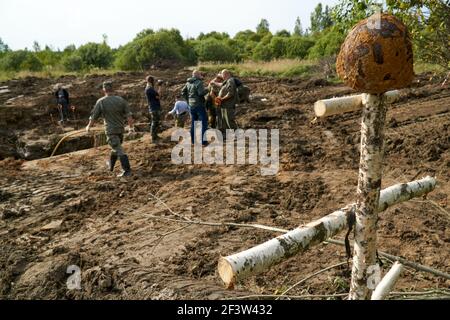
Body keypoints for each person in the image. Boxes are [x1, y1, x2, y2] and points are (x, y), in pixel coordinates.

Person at [86, 81, 134, 177]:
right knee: (115, 148)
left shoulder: (101, 102)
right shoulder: (121, 100)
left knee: (119, 150)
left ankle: (127, 170)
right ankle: (111, 167)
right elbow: (129, 116)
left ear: (104, 90)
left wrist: (88, 127)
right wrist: (131, 128)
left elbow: (94, 117)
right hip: (120, 130)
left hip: (111, 131)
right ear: (113, 88)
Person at [181, 70, 208, 145]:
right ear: (197, 75)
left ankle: (193, 141)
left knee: (193, 123)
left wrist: (188, 100)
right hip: (199, 105)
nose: (201, 75)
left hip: (191, 106)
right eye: (200, 74)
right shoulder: (199, 82)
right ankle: (203, 141)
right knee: (204, 123)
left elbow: (183, 92)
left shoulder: (188, 82)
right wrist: (208, 89)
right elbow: (201, 93)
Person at [145, 76, 162, 143]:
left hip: (154, 107)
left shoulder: (150, 88)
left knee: (156, 121)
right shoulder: (149, 89)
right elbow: (159, 96)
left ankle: (155, 135)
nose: (154, 82)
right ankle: (153, 137)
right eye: (153, 81)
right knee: (155, 122)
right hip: (154, 107)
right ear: (150, 81)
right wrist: (160, 87)